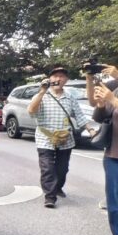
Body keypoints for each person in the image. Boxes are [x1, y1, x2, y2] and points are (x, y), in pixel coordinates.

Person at [27, 67, 95, 208]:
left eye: (62, 76)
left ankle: (58, 187)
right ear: (49, 79)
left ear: (66, 80)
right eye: (55, 76)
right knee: (47, 168)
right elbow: (31, 111)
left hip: (65, 139)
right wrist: (42, 91)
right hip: (45, 138)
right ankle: (50, 196)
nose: (58, 79)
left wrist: (91, 130)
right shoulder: (41, 95)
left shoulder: (70, 98)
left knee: (62, 169)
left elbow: (80, 116)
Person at [92, 80, 118, 235]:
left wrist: (113, 100)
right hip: (113, 154)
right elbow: (99, 118)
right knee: (114, 200)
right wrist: (101, 104)